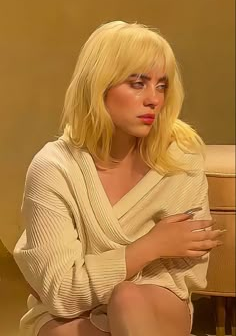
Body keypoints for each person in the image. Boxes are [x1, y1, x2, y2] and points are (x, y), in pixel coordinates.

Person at [13, 21, 224, 336]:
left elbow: (185, 273)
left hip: (157, 303)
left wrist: (111, 286)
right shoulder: (53, 168)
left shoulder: (181, 158)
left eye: (161, 85)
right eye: (138, 83)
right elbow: (59, 291)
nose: (154, 99)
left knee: (127, 300)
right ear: (99, 86)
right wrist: (150, 247)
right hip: (69, 314)